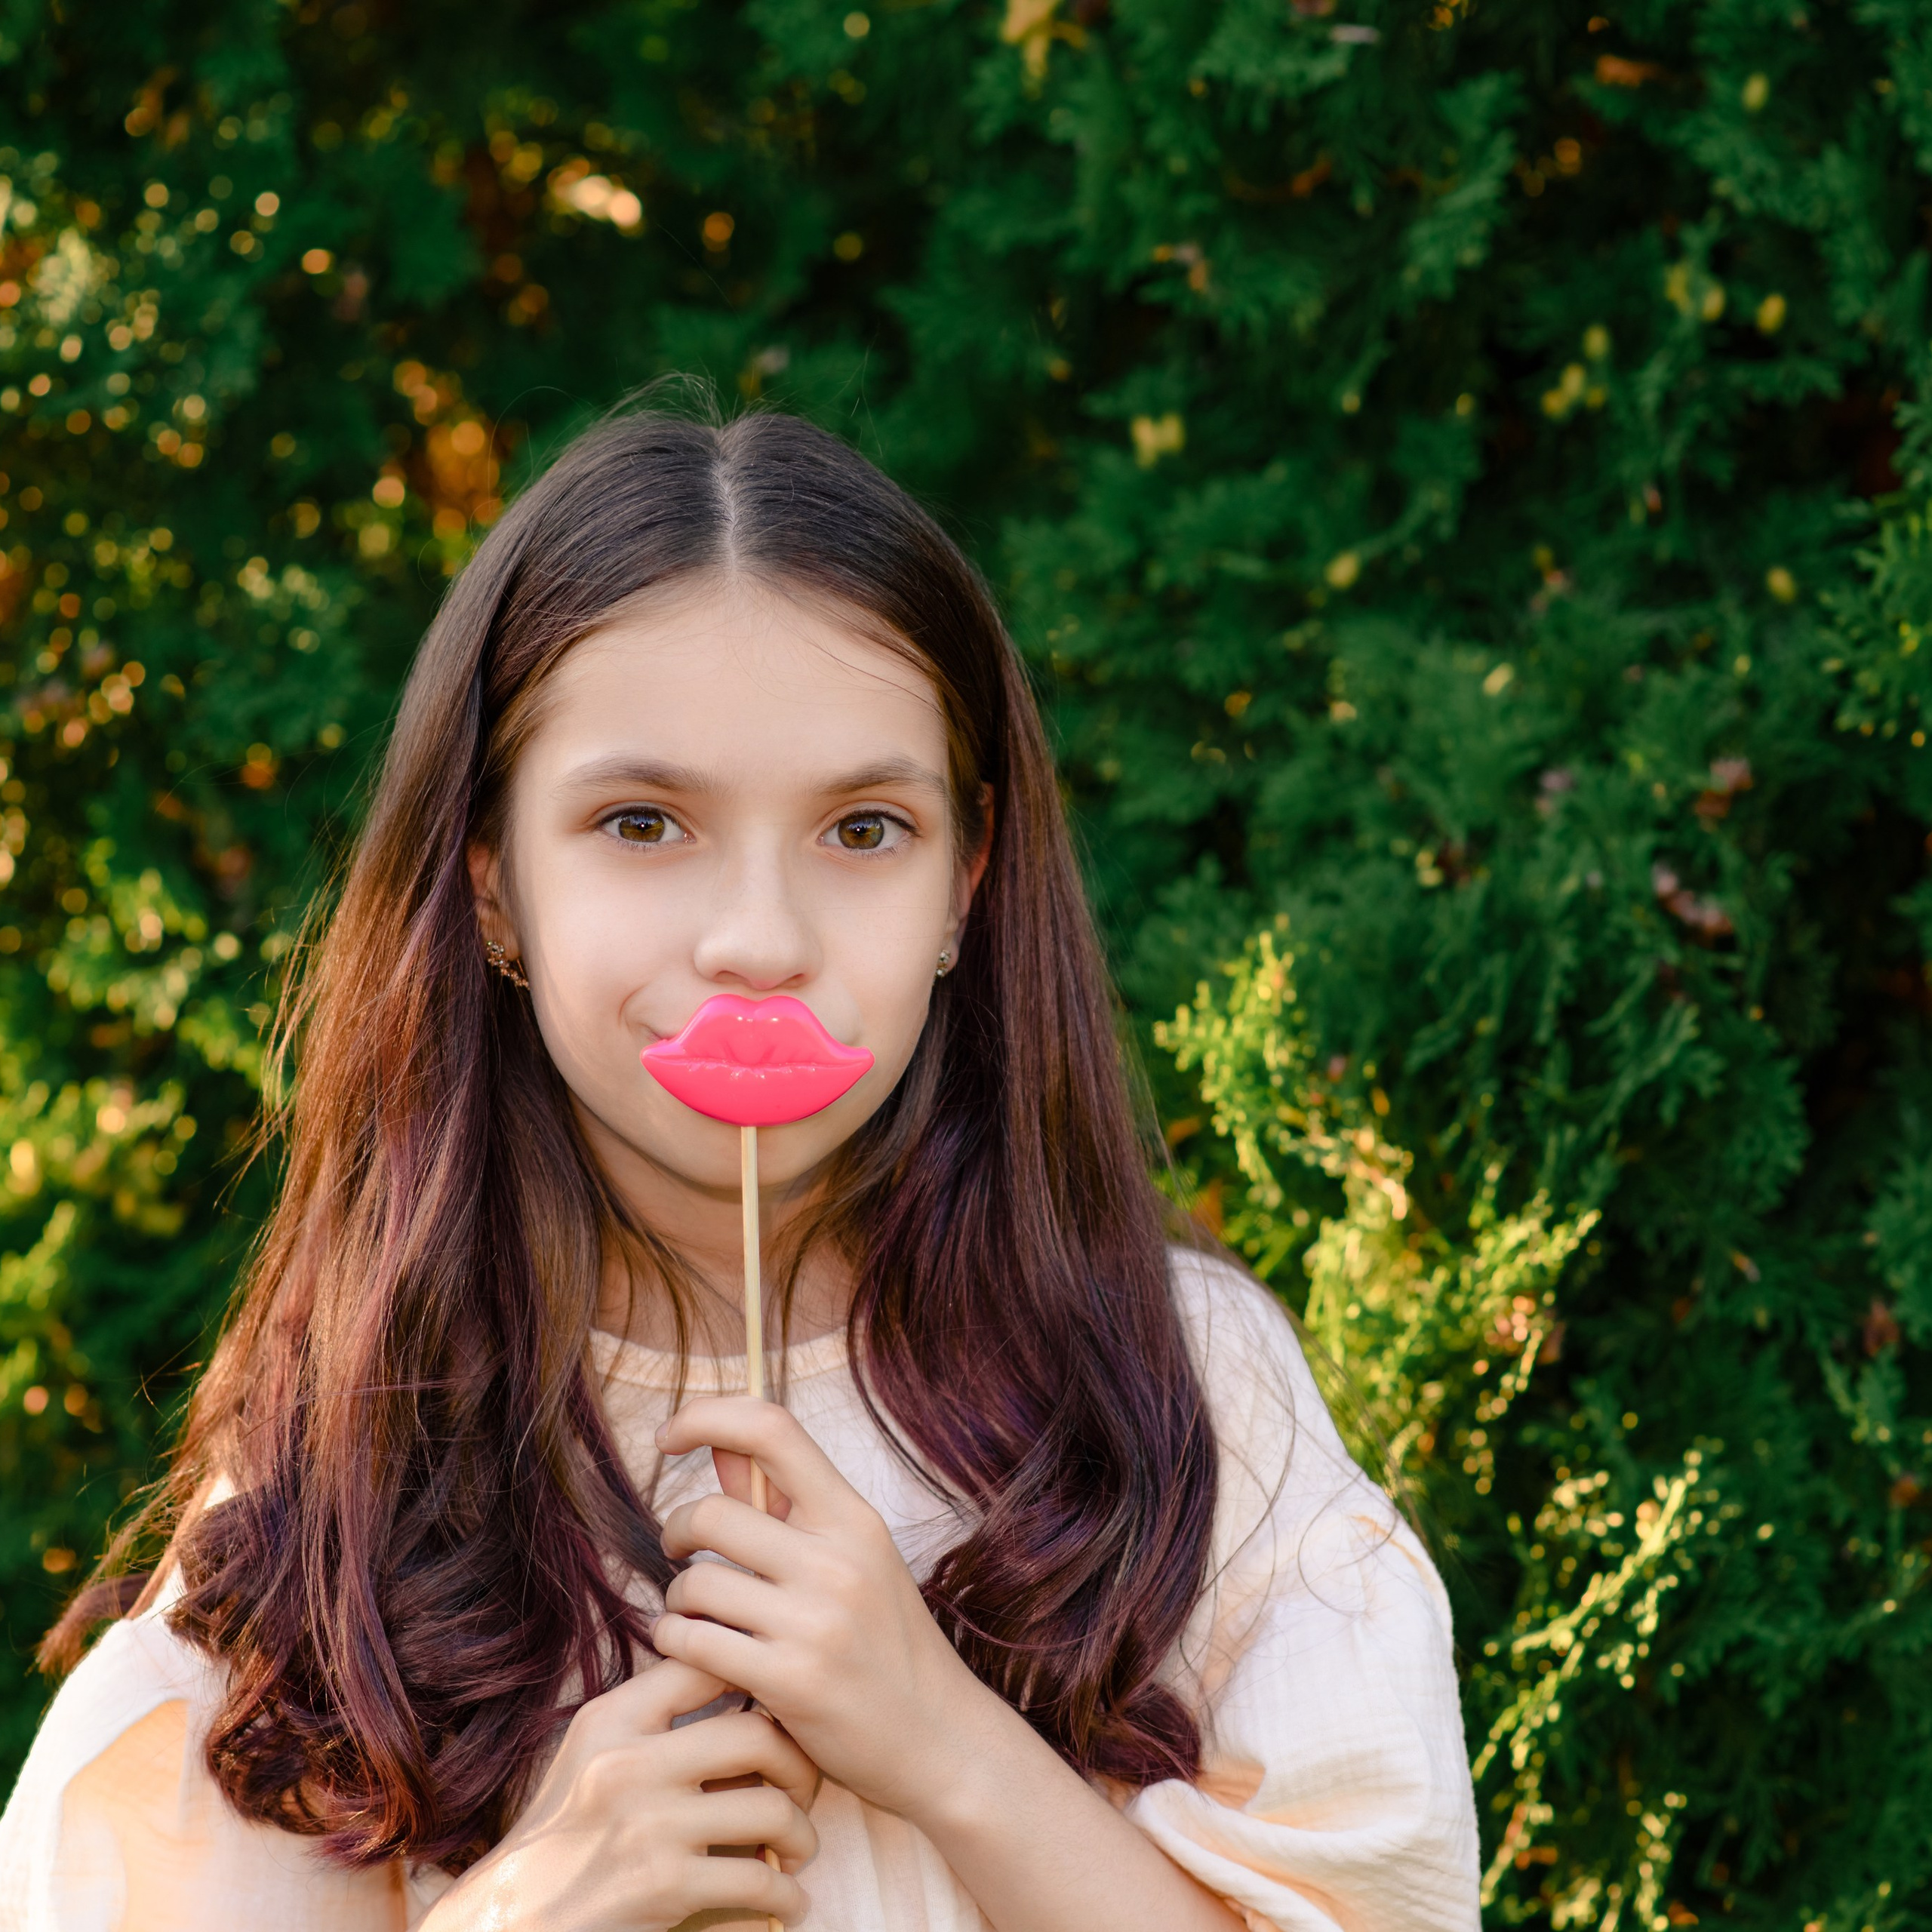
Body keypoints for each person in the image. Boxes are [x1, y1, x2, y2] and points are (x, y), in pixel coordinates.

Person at [0, 405, 1480, 1931]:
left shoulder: (1177, 1389)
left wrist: (945, 1741)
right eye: (641, 821)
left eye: (863, 825)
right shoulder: (347, 1464)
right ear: (492, 880)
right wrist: (527, 1906)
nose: (760, 939)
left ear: (964, 884)